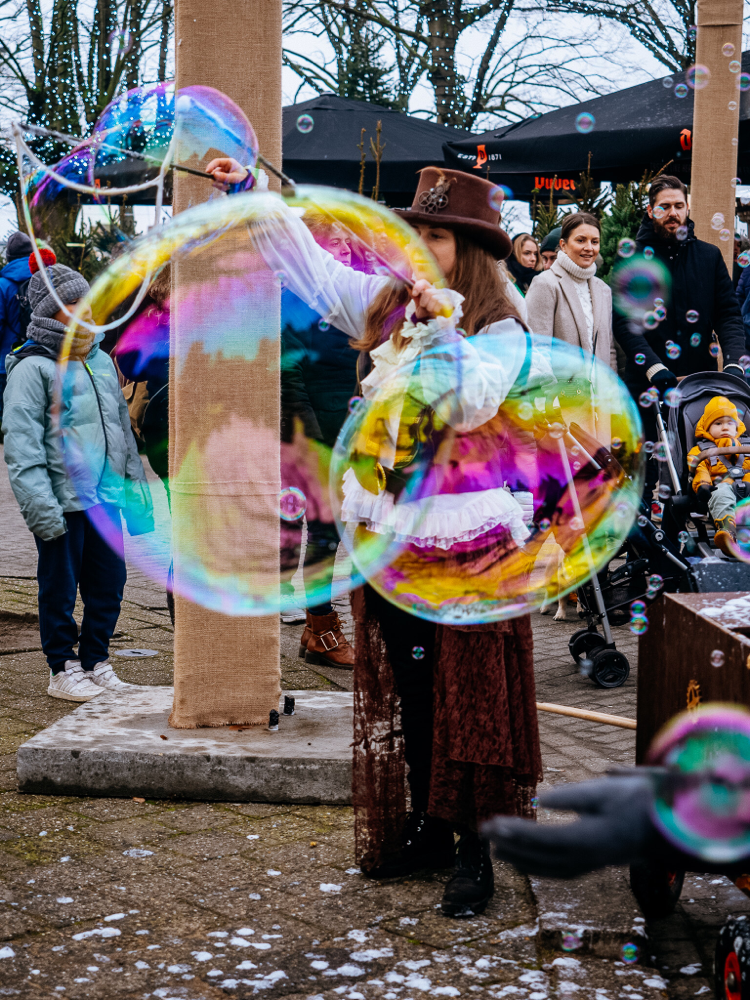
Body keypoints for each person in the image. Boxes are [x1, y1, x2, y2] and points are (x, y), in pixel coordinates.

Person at [208, 157, 543, 918]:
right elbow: (309, 265)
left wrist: (445, 321)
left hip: (467, 546)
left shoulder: (500, 328)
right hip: (392, 539)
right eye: (414, 234)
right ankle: (427, 825)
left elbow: (471, 402)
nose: (420, 250)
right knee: (417, 685)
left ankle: (475, 852)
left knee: (470, 696)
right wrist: (249, 194)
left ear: (474, 251)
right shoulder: (389, 308)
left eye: (438, 238)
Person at [2, 253, 153, 702]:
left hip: (106, 496)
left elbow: (122, 433)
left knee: (110, 583)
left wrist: (135, 492)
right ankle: (61, 668)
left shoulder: (102, 361)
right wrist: (41, 510)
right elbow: (22, 449)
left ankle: (95, 661)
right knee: (60, 588)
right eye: (75, 304)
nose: (87, 311)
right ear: (53, 313)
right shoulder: (33, 370)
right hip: (63, 501)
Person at [281, 213, 359, 666]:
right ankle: (321, 628)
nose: (346, 254)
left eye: (349, 246)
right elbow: (289, 378)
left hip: (351, 429)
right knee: (320, 532)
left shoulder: (347, 298)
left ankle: (320, 629)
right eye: (336, 246)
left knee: (337, 531)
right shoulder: (292, 301)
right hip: (314, 437)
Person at [525, 212, 617, 373]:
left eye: (594, 242)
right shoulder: (545, 283)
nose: (589, 248)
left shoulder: (603, 290)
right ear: (563, 245)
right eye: (580, 240)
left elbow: (609, 349)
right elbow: (538, 349)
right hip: (562, 393)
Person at [686, 395, 750, 556]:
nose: (725, 428)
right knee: (721, 493)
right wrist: (703, 485)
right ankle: (728, 532)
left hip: (747, 487)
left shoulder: (746, 446)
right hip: (720, 487)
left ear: (737, 427)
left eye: (730, 423)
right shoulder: (701, 450)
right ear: (707, 428)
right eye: (718, 423)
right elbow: (699, 468)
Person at [0, 231, 33, 428]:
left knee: (8, 416)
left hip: (5, 360)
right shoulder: (44, 280)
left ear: (8, 257)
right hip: (39, 356)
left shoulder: (3, 284)